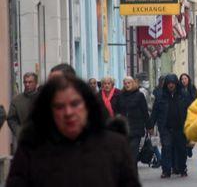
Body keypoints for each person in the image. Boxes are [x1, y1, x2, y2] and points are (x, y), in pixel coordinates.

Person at [6, 72, 140, 187]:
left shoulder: (114, 145)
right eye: (59, 106)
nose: (68, 112)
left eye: (75, 104)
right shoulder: (32, 148)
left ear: (87, 105)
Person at [149, 74, 192, 178]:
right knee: (166, 148)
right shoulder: (160, 96)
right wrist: (150, 125)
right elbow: (155, 111)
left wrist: (191, 124)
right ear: (166, 85)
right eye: (169, 83)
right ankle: (166, 170)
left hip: (180, 126)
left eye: (172, 83)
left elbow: (190, 110)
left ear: (176, 84)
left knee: (181, 149)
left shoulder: (183, 95)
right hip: (165, 127)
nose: (171, 85)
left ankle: (182, 168)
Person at [114, 76, 149, 165]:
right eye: (125, 83)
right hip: (124, 128)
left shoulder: (139, 95)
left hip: (136, 127)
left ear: (133, 83)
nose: (127, 85)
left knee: (133, 151)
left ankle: (133, 171)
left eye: (129, 83)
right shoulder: (120, 96)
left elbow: (144, 111)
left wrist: (149, 126)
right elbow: (116, 110)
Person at [7, 72, 38, 138]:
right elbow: (11, 119)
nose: (27, 84)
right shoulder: (16, 101)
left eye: (30, 82)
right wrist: (19, 132)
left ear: (36, 83)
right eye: (25, 82)